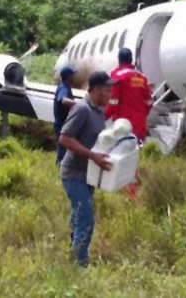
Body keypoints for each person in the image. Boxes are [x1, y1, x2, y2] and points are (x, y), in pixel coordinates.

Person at [59, 71, 114, 267]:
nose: (110, 94)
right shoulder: (82, 109)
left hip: (88, 175)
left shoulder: (99, 111)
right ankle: (79, 266)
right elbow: (65, 138)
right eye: (108, 90)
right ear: (96, 89)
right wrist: (92, 156)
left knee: (78, 216)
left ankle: (71, 251)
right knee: (86, 220)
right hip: (73, 174)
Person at [105, 48, 153, 142]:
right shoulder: (142, 78)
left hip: (123, 127)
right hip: (139, 126)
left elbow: (112, 103)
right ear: (131, 60)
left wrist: (101, 118)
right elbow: (149, 103)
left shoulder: (117, 76)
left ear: (119, 60)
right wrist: (140, 116)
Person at [54, 67, 78, 166]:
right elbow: (63, 100)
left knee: (63, 145)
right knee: (64, 145)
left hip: (62, 121)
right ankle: (60, 166)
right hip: (61, 122)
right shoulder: (64, 87)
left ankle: (60, 164)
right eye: (73, 75)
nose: (74, 77)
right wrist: (78, 104)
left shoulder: (65, 86)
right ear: (69, 77)